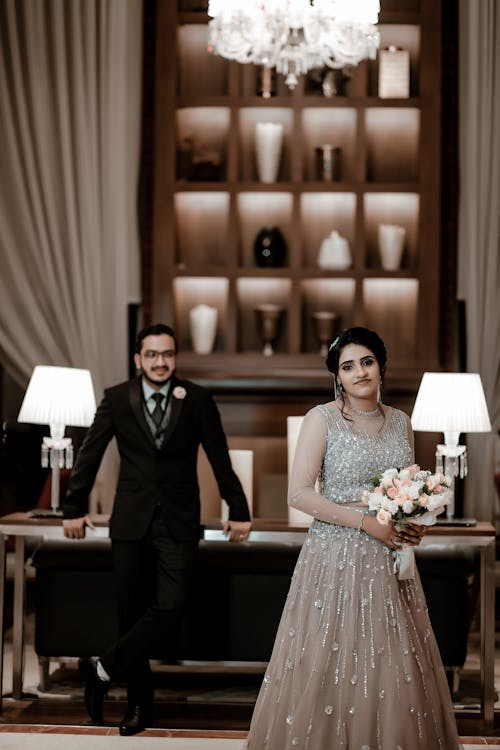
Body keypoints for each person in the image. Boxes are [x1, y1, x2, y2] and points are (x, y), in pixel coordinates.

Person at [245, 327, 460, 749]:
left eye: (367, 362)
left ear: (381, 366)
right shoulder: (321, 419)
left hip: (391, 558)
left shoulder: (401, 422)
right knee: (331, 654)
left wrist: (412, 523)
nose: (359, 372)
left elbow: (405, 490)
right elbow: (299, 493)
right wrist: (366, 524)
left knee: (391, 659)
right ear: (337, 377)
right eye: (348, 367)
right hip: (334, 554)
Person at [63, 323, 251, 736]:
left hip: (180, 521)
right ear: (138, 359)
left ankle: (102, 669)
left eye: (167, 354)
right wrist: (72, 507)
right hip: (129, 520)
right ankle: (138, 705)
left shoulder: (198, 399)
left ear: (175, 357)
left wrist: (238, 508)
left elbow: (219, 457)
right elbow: (90, 454)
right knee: (130, 615)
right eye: (152, 355)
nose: (160, 362)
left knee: (172, 604)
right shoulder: (116, 398)